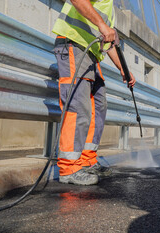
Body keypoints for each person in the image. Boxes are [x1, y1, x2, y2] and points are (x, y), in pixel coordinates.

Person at [52, 0, 136, 185]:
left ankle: (87, 160)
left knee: (99, 107)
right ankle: (69, 168)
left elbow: (109, 42)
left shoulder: (109, 6)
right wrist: (102, 25)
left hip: (91, 55)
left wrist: (124, 69)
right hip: (73, 44)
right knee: (78, 107)